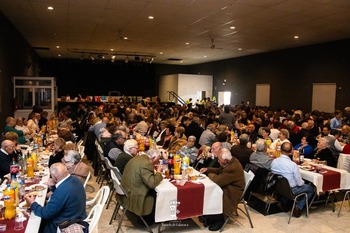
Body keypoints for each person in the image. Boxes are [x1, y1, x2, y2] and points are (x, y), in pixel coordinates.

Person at [25, 162, 86, 233]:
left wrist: (33, 204)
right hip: (77, 214)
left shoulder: (62, 190)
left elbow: (46, 214)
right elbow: (64, 197)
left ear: (54, 177)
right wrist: (53, 187)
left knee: (34, 224)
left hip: (64, 223)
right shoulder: (75, 179)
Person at [199, 148, 245, 231]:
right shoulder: (229, 162)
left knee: (215, 194)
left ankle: (219, 220)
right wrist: (208, 169)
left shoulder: (232, 168)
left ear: (226, 161)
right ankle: (210, 216)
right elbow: (219, 171)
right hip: (229, 185)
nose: (218, 161)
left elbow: (218, 180)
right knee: (212, 191)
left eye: (219, 160)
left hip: (233, 191)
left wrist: (209, 174)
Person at [120, 148, 163, 226]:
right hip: (135, 194)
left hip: (126, 189)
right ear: (153, 158)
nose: (158, 162)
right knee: (158, 193)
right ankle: (153, 218)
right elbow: (152, 183)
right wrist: (159, 173)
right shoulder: (146, 163)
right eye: (158, 159)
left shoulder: (137, 158)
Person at [271, 142, 314, 218]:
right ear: (291, 151)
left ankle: (284, 201)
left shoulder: (274, 162)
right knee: (311, 188)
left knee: (287, 184)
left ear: (280, 150)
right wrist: (304, 182)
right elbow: (299, 183)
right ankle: (298, 207)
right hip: (292, 189)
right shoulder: (292, 165)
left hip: (278, 187)